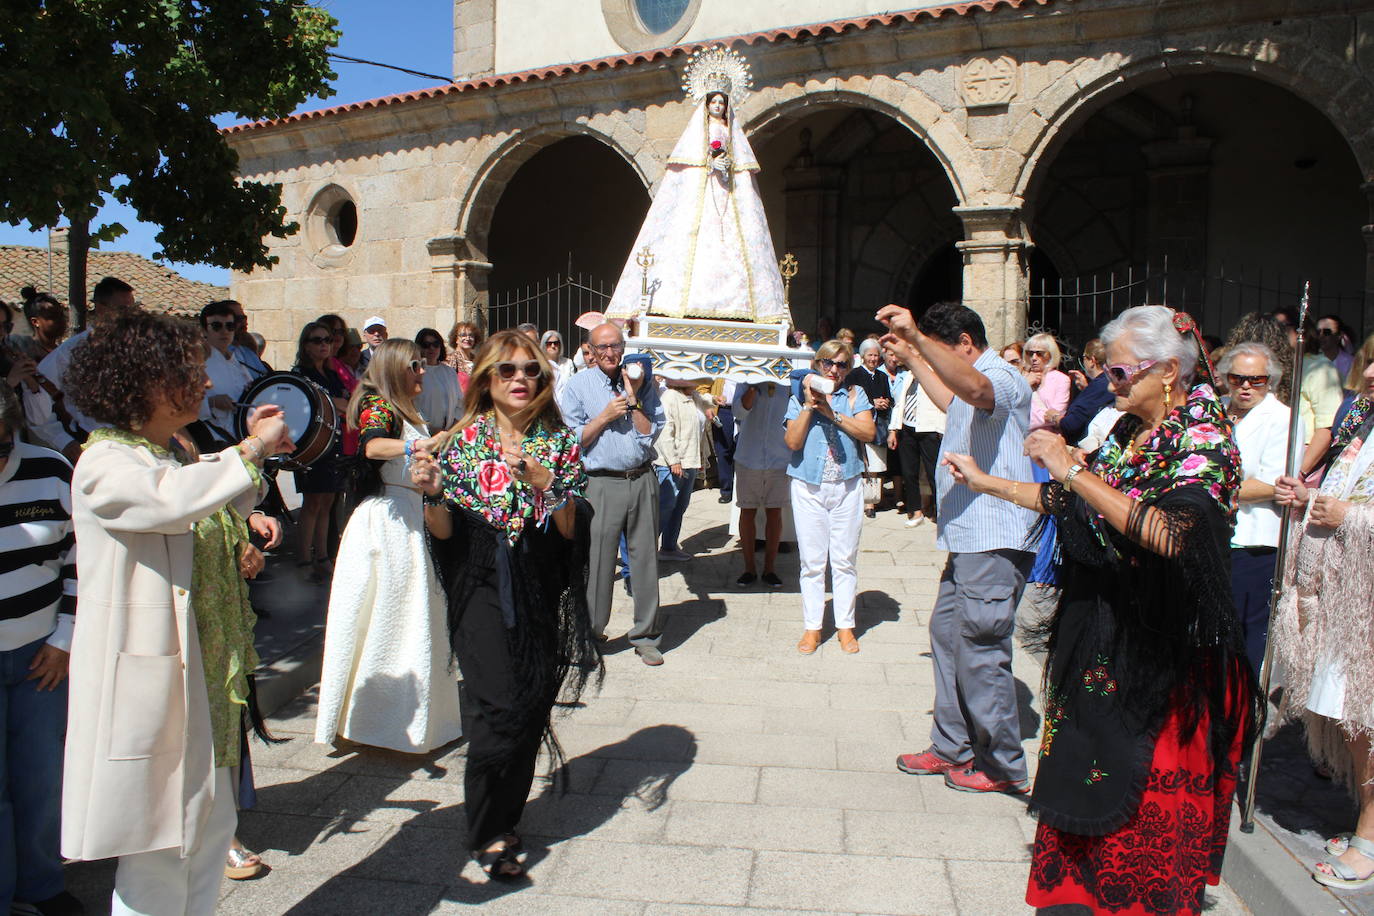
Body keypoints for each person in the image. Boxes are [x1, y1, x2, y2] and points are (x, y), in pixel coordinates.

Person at [940, 304, 1258, 914]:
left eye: (1117, 374)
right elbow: (1067, 497)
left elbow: (1172, 535)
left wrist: (1074, 471)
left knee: (1138, 795)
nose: (1106, 385)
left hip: (1158, 655)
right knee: (1087, 776)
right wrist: (986, 481)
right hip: (1101, 638)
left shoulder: (1205, 441)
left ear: (1167, 370)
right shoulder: (1127, 431)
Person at [61, 309, 293, 916]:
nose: (209, 383)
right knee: (159, 857)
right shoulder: (106, 462)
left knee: (207, 832)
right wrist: (248, 448)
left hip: (202, 684)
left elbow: (202, 510)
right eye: (193, 371)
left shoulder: (163, 454)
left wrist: (254, 468)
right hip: (158, 688)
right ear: (149, 382)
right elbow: (168, 504)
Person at [411, 330, 600, 881]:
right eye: (507, 370)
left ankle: (505, 816)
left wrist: (549, 486)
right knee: (498, 707)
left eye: (531, 371)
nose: (520, 379)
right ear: (485, 379)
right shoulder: (460, 442)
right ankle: (488, 829)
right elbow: (444, 533)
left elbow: (571, 534)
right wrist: (430, 495)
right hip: (480, 584)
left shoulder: (558, 443)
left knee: (532, 704)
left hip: (537, 585)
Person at [878, 301, 1036, 795]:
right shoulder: (969, 380)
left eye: (945, 350)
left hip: (995, 538)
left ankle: (1003, 763)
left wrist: (919, 342)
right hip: (970, 538)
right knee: (948, 636)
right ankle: (952, 746)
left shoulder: (1001, 377)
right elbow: (952, 399)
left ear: (966, 344)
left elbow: (974, 390)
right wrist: (914, 357)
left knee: (981, 648)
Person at [316, 340, 462, 754]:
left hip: (411, 517)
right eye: (415, 365)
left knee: (410, 619)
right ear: (397, 368)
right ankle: (377, 722)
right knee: (387, 619)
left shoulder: (410, 411)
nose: (422, 371)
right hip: (387, 523)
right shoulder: (380, 406)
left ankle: (405, 718)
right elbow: (372, 446)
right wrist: (415, 445)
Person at [1273, 355, 1374, 889]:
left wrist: (1350, 518)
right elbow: (1350, 493)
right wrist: (1310, 498)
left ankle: (1370, 837)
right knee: (1347, 712)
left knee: (1365, 717)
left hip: (1367, 605)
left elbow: (1357, 509)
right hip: (1347, 596)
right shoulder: (1364, 425)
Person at [605, 54, 787, 322]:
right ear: (705, 104)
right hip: (700, 193)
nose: (717, 106)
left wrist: (726, 164)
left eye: (721, 103)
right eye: (713, 102)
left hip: (728, 192)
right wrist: (709, 162)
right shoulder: (694, 137)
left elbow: (739, 164)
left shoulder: (732, 133)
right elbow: (689, 169)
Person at [0, 386, 82, 916]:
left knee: (39, 776)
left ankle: (41, 884)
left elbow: (81, 558)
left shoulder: (49, 468)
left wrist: (64, 639)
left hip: (39, 655)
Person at [557, 323, 667, 665]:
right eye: (602, 347)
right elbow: (571, 440)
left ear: (623, 347)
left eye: (615, 346)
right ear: (590, 349)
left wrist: (634, 398)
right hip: (601, 484)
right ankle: (590, 633)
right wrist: (604, 417)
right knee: (599, 562)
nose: (609, 353)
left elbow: (652, 434)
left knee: (645, 559)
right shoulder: (577, 386)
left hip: (642, 479)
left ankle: (646, 635)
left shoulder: (641, 382)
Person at [784, 340, 875, 654]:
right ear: (817, 364)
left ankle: (845, 627)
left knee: (844, 558)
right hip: (808, 485)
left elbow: (868, 433)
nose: (834, 370)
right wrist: (810, 406)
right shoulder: (799, 396)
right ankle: (812, 627)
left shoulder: (855, 395)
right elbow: (792, 443)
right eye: (828, 363)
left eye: (842, 364)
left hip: (846, 485)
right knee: (812, 561)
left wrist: (833, 413)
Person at [1220, 342, 1296, 681]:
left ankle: (1237, 721)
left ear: (1271, 381)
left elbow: (1272, 483)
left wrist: (1207, 490)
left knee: (1241, 643)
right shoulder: (1215, 410)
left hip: (1252, 542)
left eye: (1257, 380)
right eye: (1237, 378)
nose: (1246, 386)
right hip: (1210, 537)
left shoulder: (1283, 419)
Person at [36, 276, 136, 461]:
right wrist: (63, 440)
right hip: (95, 448)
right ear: (101, 308)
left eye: (134, 309)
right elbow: (34, 397)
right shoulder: (70, 353)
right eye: (123, 309)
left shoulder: (140, 348)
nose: (130, 316)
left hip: (139, 445)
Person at [292, 321, 350, 582]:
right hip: (311, 446)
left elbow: (346, 404)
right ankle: (304, 558)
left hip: (333, 442)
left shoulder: (333, 374)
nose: (324, 344)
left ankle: (323, 556)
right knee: (312, 502)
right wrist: (337, 404)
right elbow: (314, 404)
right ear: (306, 345)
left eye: (327, 340)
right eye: (317, 340)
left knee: (327, 501)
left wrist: (339, 404)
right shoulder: (300, 374)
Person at [732, 379, 791, 587]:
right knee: (747, 511)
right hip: (749, 456)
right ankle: (749, 568)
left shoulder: (788, 383)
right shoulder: (746, 380)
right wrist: (752, 387)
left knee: (774, 512)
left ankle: (770, 568)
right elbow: (739, 412)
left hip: (780, 456)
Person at [887, 344, 946, 527]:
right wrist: (893, 429)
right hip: (908, 427)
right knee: (909, 472)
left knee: (933, 472)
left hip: (930, 428)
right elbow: (900, 403)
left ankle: (939, 510)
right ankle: (916, 511)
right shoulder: (909, 374)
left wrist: (941, 429)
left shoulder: (934, 372)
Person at [655, 377, 711, 561]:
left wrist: (714, 401)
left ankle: (669, 547)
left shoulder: (694, 396)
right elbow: (665, 431)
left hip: (689, 461)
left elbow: (705, 402)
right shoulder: (669, 397)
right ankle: (644, 550)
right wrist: (673, 460)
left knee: (679, 506)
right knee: (665, 506)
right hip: (672, 463)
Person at [197, 301, 257, 447]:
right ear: (204, 330)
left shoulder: (238, 362)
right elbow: (179, 405)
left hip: (242, 439)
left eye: (229, 326)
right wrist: (212, 403)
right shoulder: (197, 363)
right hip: (214, 442)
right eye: (217, 326)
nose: (224, 331)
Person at [846, 338, 892, 518]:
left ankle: (872, 500)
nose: (873, 358)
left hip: (878, 425)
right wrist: (872, 403)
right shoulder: (855, 374)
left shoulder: (882, 376)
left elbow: (890, 397)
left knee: (874, 466)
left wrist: (885, 402)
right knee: (862, 464)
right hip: (859, 423)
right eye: (870, 355)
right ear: (863, 356)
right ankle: (866, 504)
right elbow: (849, 397)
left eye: (876, 355)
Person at [1058, 338, 1115, 444]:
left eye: (1084, 357)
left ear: (1092, 361)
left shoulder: (1099, 386)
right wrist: (1086, 388)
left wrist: (1054, 417)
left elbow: (1071, 424)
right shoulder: (1109, 381)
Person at [414, 328, 464, 433]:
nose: (431, 348)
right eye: (426, 345)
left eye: (435, 344)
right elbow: (414, 406)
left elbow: (460, 403)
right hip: (425, 434)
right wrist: (432, 430)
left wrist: (453, 428)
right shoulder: (416, 373)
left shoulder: (450, 372)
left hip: (450, 434)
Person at [221, 300, 270, 377]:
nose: (245, 323)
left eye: (244, 318)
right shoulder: (214, 356)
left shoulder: (247, 351)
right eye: (239, 319)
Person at [710, 378, 738, 504]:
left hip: (746, 410)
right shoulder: (720, 363)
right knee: (723, 451)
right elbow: (702, 387)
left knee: (742, 450)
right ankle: (726, 490)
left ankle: (740, 488)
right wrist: (712, 399)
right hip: (724, 411)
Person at [1317, 313, 1356, 381]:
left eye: (1326, 332)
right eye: (1318, 332)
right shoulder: (1308, 360)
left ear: (1339, 335)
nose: (1321, 336)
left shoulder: (1351, 363)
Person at [539, 330, 575, 400]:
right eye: (549, 344)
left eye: (556, 343)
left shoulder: (568, 362)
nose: (553, 346)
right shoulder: (540, 364)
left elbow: (572, 385)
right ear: (544, 345)